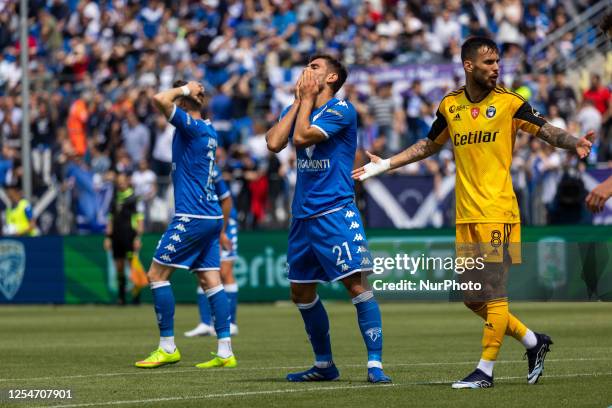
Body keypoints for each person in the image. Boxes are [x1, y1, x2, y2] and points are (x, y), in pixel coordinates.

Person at [353, 37, 595, 389]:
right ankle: (533, 341)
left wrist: (575, 142)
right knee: (472, 297)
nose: (496, 67)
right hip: (466, 216)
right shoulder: (450, 105)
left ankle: (485, 371)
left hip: (499, 211)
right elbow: (428, 145)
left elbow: (546, 130)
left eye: (498, 62)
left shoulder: (510, 103)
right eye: (489, 62)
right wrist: (386, 164)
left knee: (495, 292)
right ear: (469, 66)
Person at [266, 54, 391, 383]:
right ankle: (324, 365)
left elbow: (301, 138)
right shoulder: (299, 107)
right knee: (300, 293)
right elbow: (274, 142)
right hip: (302, 217)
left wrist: (304, 101)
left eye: (316, 67)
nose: (308, 69)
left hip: (335, 211)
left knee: (356, 285)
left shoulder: (341, 109)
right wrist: (298, 102)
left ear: (333, 78)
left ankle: (375, 364)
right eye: (307, 65)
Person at [135, 80, 236, 369]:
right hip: (210, 215)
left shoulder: (191, 126)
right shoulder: (208, 129)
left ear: (183, 101)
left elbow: (159, 99)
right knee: (210, 281)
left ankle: (167, 346)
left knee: (156, 274)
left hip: (192, 215)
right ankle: (225, 350)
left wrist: (184, 90)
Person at [185, 164, 240, 337]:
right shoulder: (187, 169)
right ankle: (205, 323)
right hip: (205, 223)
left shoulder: (211, 169)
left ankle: (231, 323)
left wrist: (222, 231)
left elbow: (227, 200)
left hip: (223, 223)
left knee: (225, 272)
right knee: (202, 273)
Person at [103, 172, 144, 305]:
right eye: (118, 181)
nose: (121, 183)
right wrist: (108, 238)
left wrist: (138, 238)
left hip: (129, 236)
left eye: (123, 180)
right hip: (116, 236)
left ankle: (136, 296)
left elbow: (139, 219)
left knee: (133, 265)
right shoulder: (114, 198)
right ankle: (121, 297)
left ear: (127, 181)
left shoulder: (133, 198)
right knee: (119, 266)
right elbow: (110, 219)